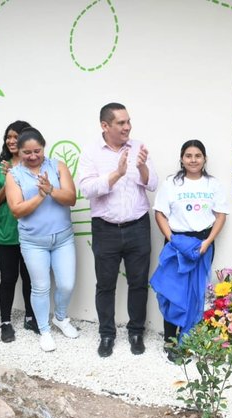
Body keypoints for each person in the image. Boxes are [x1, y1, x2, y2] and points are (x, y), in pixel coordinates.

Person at [77, 102, 158, 358]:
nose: (127, 127)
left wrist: (142, 167)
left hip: (138, 227)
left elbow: (153, 183)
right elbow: (86, 189)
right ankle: (107, 335)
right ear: (105, 125)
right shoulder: (91, 152)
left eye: (128, 121)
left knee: (138, 283)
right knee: (105, 285)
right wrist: (117, 174)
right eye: (121, 123)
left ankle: (136, 332)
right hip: (105, 229)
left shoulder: (139, 146)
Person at [150, 140, 229, 361]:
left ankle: (187, 341)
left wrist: (208, 242)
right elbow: (160, 214)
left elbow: (221, 215)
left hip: (202, 245)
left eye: (197, 155)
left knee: (195, 294)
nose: (193, 160)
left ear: (204, 159)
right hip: (176, 245)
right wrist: (172, 240)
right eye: (188, 155)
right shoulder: (171, 184)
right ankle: (170, 340)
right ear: (182, 159)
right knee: (173, 293)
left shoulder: (212, 185)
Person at [6, 128, 79, 352]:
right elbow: (17, 210)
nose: (32, 156)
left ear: (43, 147)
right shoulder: (13, 175)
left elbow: (71, 198)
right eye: (26, 152)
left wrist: (51, 190)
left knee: (66, 284)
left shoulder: (57, 166)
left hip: (63, 238)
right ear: (19, 151)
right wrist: (39, 196)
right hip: (33, 241)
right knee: (40, 287)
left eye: (37, 150)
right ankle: (44, 330)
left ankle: (60, 317)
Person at [0, 120, 35, 343]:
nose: (11, 141)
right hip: (7, 233)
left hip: (33, 231)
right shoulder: (0, 168)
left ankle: (30, 317)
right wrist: (9, 180)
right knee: (8, 278)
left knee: (30, 278)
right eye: (8, 137)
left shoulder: (35, 164)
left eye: (16, 136)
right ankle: (5, 322)